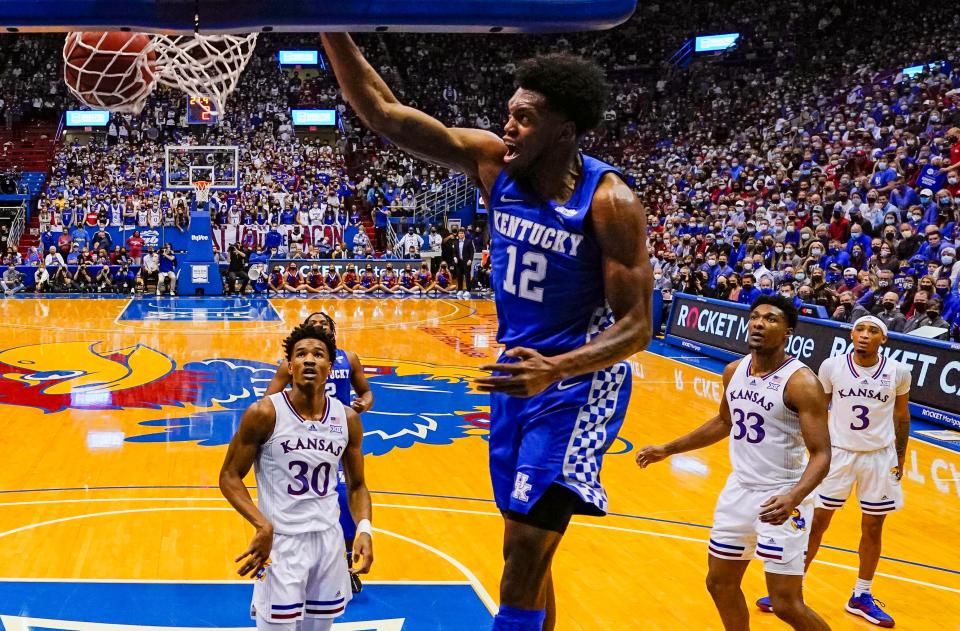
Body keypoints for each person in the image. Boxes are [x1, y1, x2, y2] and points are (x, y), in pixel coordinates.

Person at [321, 34, 653, 630]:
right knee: (529, 548)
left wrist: (555, 369)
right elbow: (383, 113)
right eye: (508, 115)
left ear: (565, 129)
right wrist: (328, 24)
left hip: (577, 385)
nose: (509, 128)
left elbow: (637, 326)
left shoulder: (609, 201)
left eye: (525, 118)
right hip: (516, 379)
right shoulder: (491, 163)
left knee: (524, 550)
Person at [636, 295, 831, 631]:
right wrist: (668, 448)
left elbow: (822, 454)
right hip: (739, 491)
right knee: (719, 583)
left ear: (788, 332)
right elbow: (724, 422)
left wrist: (794, 497)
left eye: (770, 319)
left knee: (785, 604)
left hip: (781, 496)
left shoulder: (802, 383)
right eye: (755, 316)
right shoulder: (733, 371)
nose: (759, 323)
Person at [755, 315, 911, 627]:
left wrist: (900, 459)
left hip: (879, 457)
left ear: (884, 339)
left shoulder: (898, 372)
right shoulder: (832, 366)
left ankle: (861, 595)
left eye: (873, 331)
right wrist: (806, 451)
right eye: (860, 329)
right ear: (852, 334)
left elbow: (902, 416)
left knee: (873, 528)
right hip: (837, 454)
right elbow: (815, 411)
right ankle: (791, 590)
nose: (865, 335)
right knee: (816, 523)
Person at [219, 323, 373, 630]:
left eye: (318, 354)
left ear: (331, 365)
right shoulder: (264, 413)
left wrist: (365, 529)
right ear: (290, 366)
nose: (309, 360)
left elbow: (357, 485)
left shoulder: (348, 419)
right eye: (300, 354)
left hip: (329, 545)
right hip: (282, 544)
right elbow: (229, 476)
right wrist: (262, 524)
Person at [264, 313, 374, 594]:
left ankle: (346, 564)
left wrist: (362, 405)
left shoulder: (349, 359)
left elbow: (367, 392)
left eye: (324, 325)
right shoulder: (291, 364)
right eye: (314, 323)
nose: (319, 327)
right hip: (301, 435)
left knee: (345, 491)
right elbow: (269, 398)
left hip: (337, 433)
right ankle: (283, 557)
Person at [452, 228, 475, 298]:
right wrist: (455, 257)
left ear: (464, 234)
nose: (461, 234)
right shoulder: (456, 242)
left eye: (462, 233)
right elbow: (454, 252)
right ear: (458, 234)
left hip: (467, 261)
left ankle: (468, 290)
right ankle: (460, 290)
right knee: (459, 276)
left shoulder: (469, 241)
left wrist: (470, 260)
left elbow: (472, 252)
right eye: (459, 233)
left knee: (467, 276)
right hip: (459, 262)